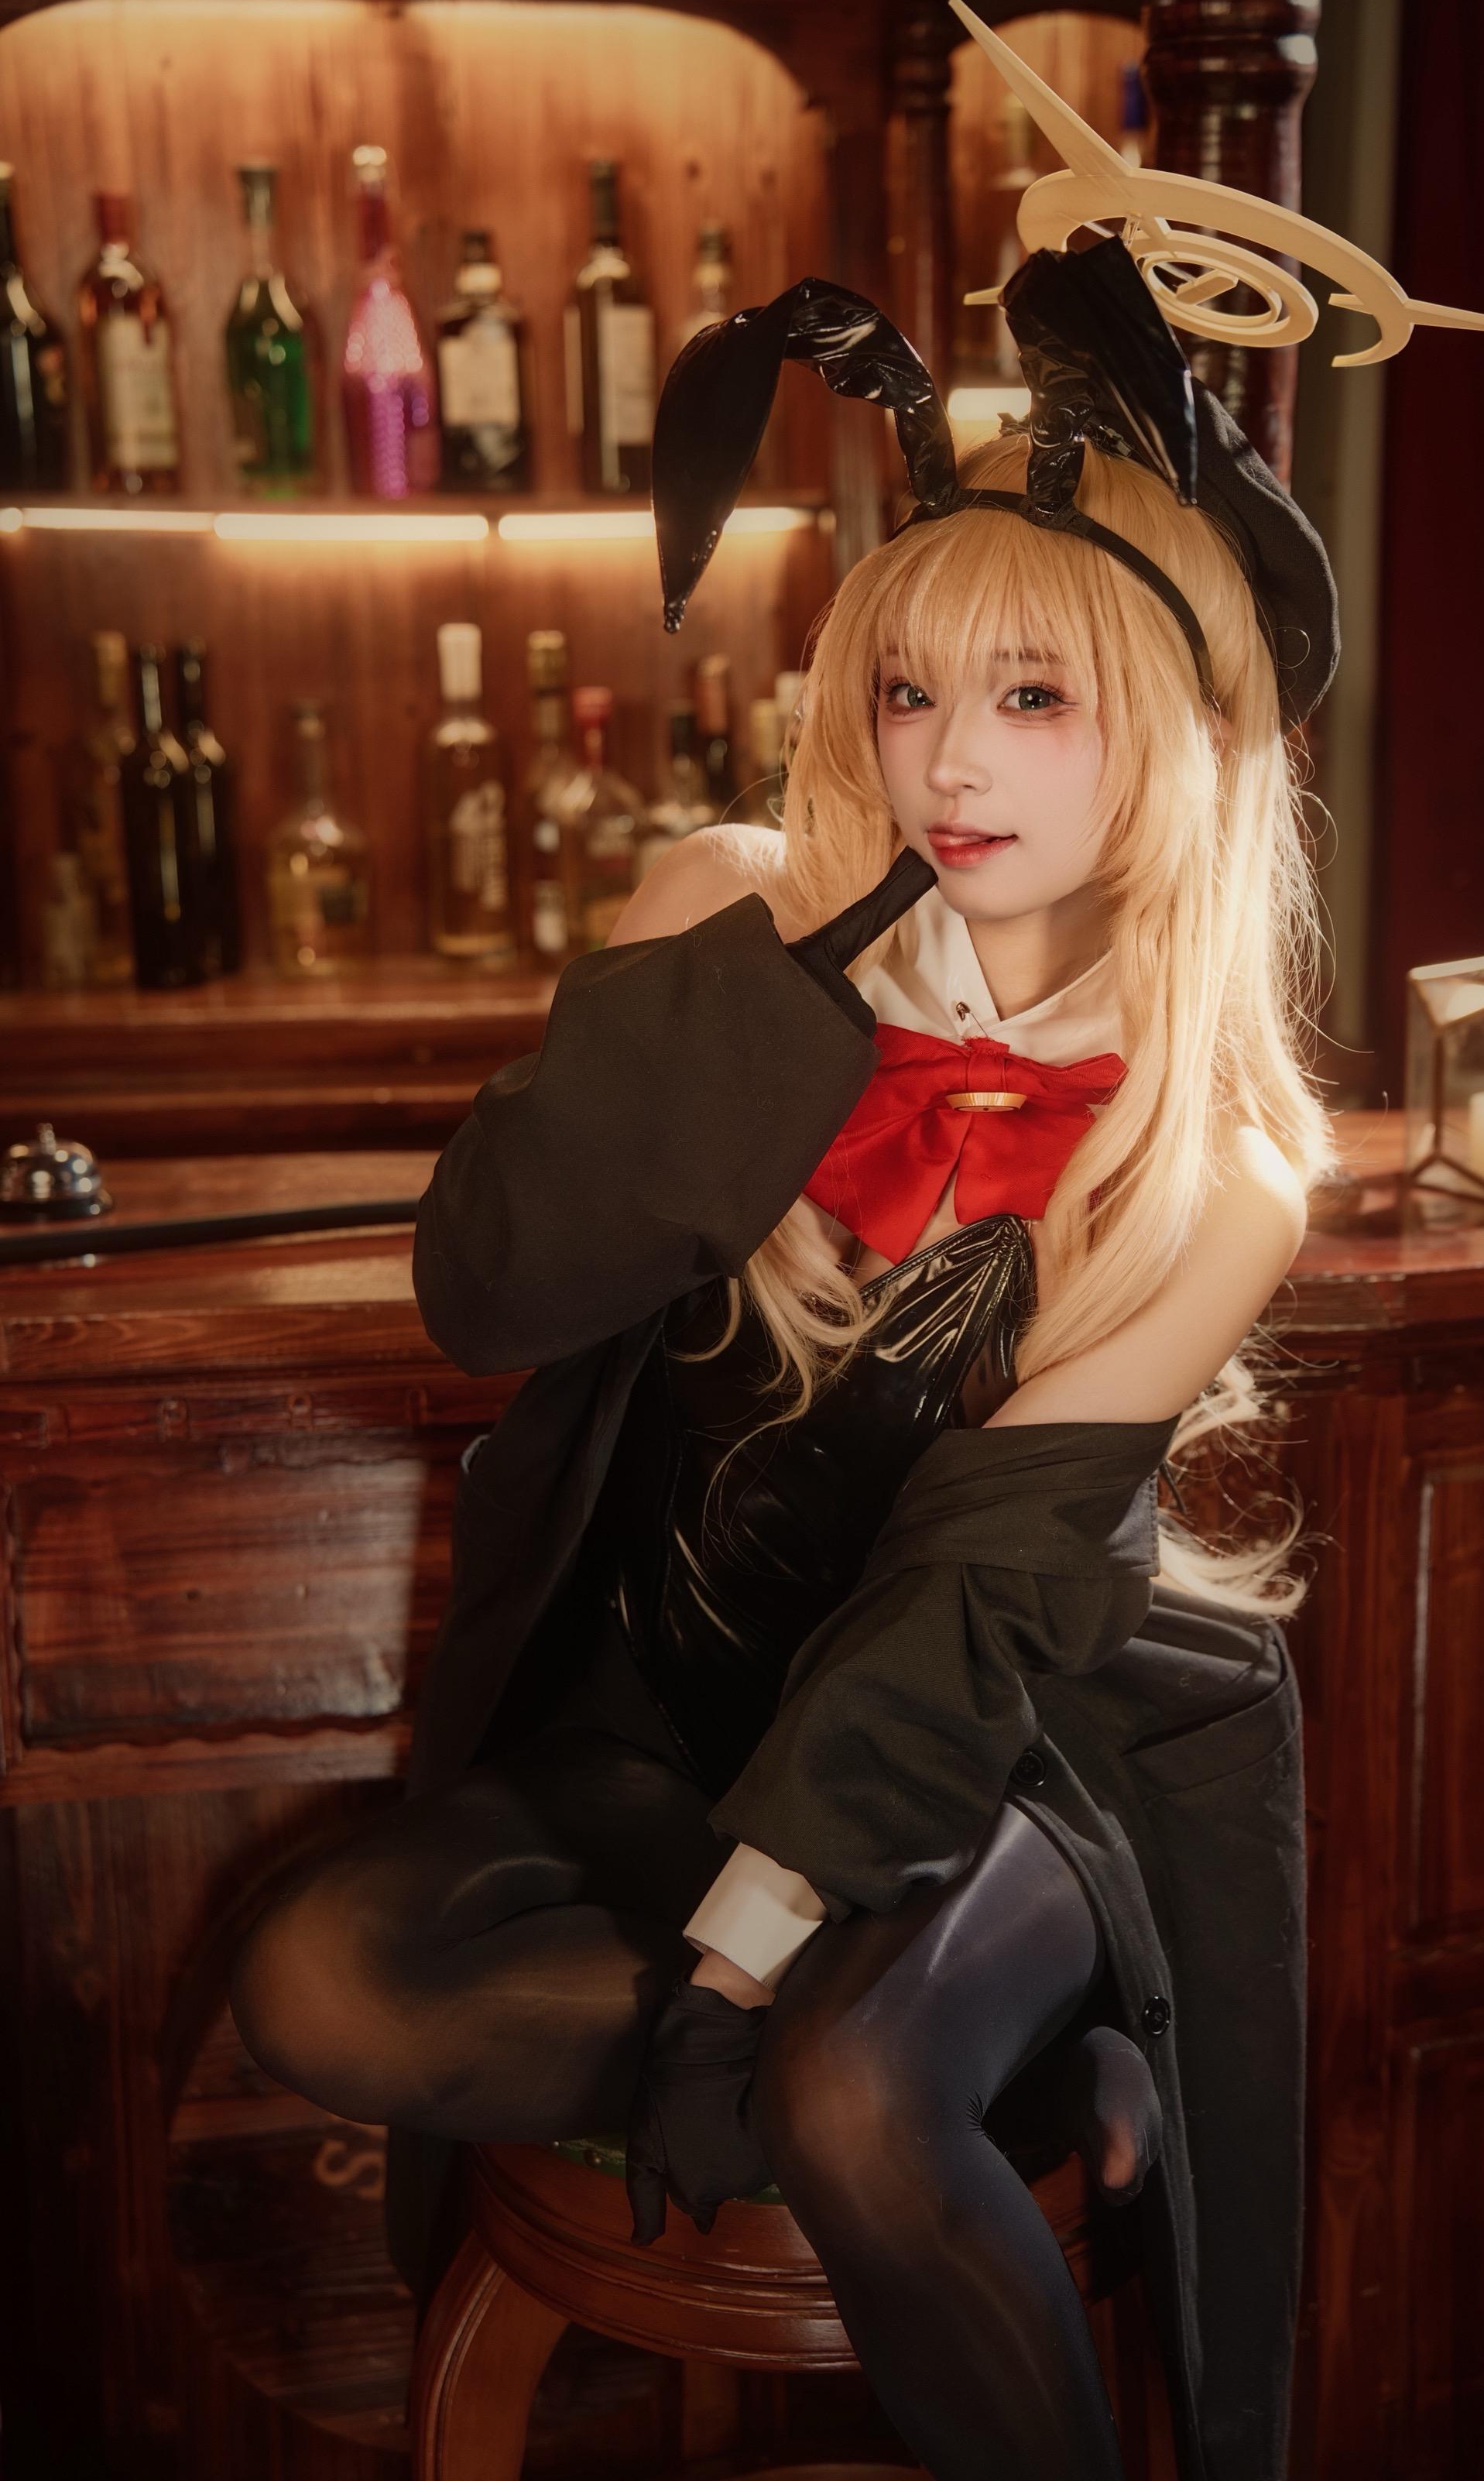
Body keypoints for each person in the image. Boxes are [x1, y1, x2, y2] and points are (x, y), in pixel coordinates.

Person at [230, 227, 1333, 2481]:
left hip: (992, 1761)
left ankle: (963, 2040)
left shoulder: (1219, 1172)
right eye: (908, 693)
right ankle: (1027, 2073)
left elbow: (968, 1605)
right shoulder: (724, 907)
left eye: (1036, 700)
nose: (952, 761)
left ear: (1171, 740)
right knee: (320, 1979)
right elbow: (488, 1290)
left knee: (839, 2082)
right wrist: (777, 975)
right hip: (656, 1723)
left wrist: (749, 1951)